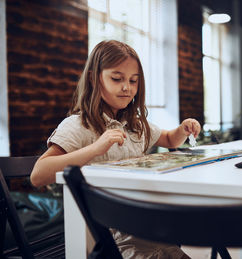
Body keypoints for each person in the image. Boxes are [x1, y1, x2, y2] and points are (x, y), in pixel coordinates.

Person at [30, 40, 200, 259]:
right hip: (110, 237)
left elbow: (169, 139)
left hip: (146, 228)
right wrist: (96, 148)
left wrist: (182, 129)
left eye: (133, 80)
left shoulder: (136, 125)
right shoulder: (79, 125)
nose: (126, 87)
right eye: (117, 79)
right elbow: (38, 174)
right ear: (93, 78)